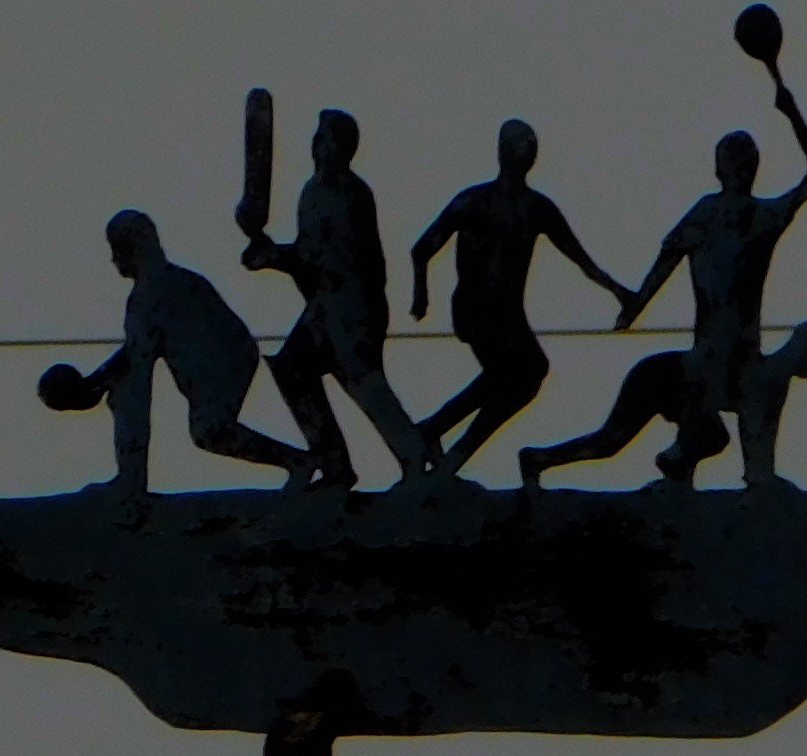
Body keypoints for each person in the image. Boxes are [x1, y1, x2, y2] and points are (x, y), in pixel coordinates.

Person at [520, 79, 807, 489]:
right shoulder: (734, 215)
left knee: (695, 434)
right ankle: (541, 460)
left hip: (731, 364)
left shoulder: (755, 217)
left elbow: (663, 266)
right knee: (618, 441)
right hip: (701, 368)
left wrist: (636, 304)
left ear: (724, 168)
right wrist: (635, 305)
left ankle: (677, 470)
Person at [406, 119, 634, 475]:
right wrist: (421, 295)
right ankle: (435, 432)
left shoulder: (537, 208)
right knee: (510, 372)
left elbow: (581, 259)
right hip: (476, 309)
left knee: (526, 376)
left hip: (509, 315)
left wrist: (619, 293)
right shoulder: (474, 201)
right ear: (504, 154)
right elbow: (422, 249)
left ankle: (448, 444)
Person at [49, 209, 317, 496]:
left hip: (220, 364)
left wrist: (98, 386)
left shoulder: (148, 297)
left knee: (193, 422)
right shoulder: (174, 283)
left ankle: (131, 479)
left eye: (116, 250)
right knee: (207, 429)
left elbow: (140, 372)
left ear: (128, 250)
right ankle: (298, 461)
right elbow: (135, 352)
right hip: (232, 357)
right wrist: (95, 382)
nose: (113, 260)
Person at [239, 108, 434, 489]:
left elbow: (324, 258)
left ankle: (416, 458)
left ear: (344, 149)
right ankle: (335, 463)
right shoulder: (312, 191)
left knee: (364, 383)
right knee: (295, 369)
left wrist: (275, 257)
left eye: (327, 141)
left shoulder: (349, 194)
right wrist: (273, 254)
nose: (319, 148)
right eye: (317, 141)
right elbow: (308, 258)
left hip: (352, 306)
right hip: (327, 306)